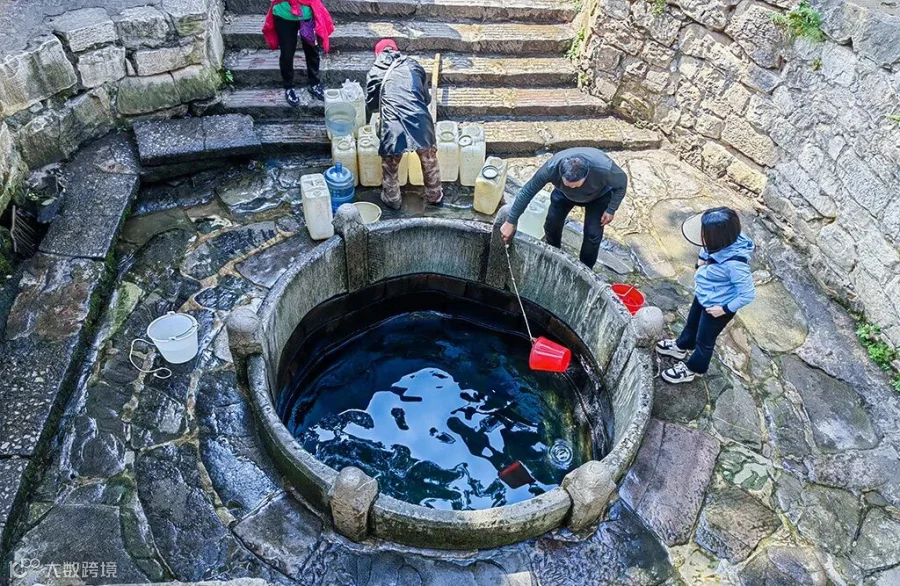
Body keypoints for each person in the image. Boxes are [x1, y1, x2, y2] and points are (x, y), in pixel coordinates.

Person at [656, 207, 756, 384]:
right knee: (692, 323)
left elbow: (747, 294)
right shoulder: (720, 240)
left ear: (717, 237)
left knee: (704, 341)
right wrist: (701, 261)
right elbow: (705, 250)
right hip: (705, 293)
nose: (701, 236)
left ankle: (693, 369)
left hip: (717, 307)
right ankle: (682, 346)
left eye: (704, 234)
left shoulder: (736, 265)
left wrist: (724, 309)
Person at [500, 147, 627, 268]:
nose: (573, 187)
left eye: (575, 185)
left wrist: (611, 209)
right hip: (563, 194)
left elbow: (621, 185)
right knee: (551, 225)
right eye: (569, 184)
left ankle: (585, 269)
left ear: (586, 175)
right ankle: (554, 253)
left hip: (598, 197)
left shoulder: (604, 168)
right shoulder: (551, 168)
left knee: (593, 235)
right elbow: (527, 191)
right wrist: (511, 221)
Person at [365, 39, 442, 210]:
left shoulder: (375, 71)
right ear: (396, 50)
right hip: (419, 118)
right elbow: (426, 98)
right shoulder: (413, 65)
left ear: (377, 54)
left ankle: (392, 198)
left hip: (393, 124)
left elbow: (371, 105)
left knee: (390, 164)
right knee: (429, 159)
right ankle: (435, 195)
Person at [262, 0, 334, 105]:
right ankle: (288, 87)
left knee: (312, 51)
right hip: (284, 14)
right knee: (287, 54)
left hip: (308, 13)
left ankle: (314, 83)